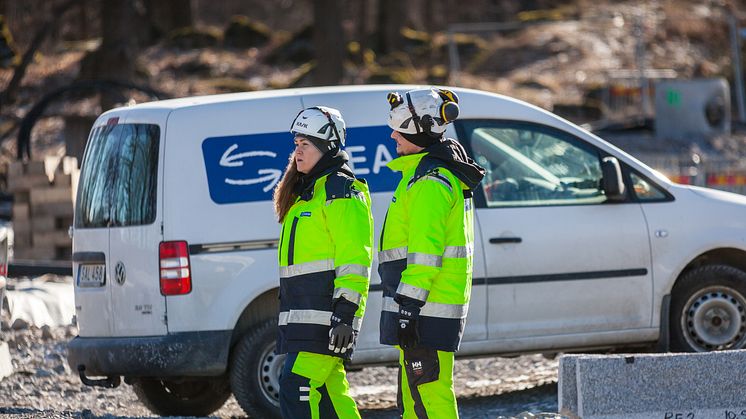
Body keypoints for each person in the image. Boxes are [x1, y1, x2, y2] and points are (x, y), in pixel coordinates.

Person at [378, 88, 485, 418]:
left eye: (401, 129)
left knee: (430, 399)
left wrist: (408, 307)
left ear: (421, 133)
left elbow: (426, 254)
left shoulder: (428, 183)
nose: (393, 134)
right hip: (425, 308)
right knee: (414, 401)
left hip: (425, 311)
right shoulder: (424, 175)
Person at [272, 106, 373, 419]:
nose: (298, 152)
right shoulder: (308, 193)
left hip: (327, 317)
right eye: (297, 144)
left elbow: (355, 260)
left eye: (307, 145)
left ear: (328, 148)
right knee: (331, 398)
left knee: (295, 384)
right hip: (302, 316)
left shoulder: (342, 193)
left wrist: (345, 315)